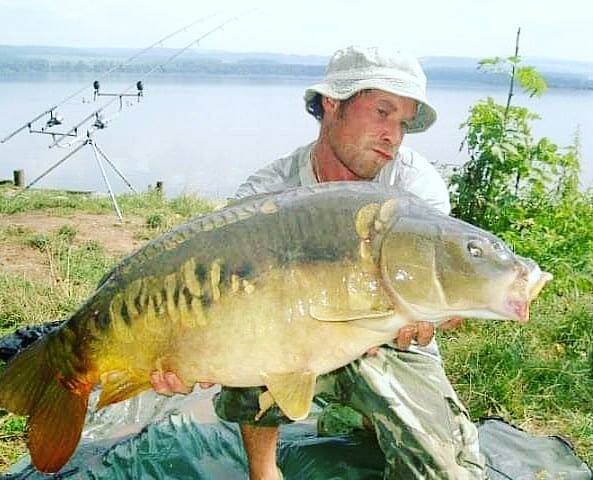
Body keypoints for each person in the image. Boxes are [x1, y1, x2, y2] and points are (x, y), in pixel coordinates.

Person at [151, 46, 486, 479]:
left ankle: (374, 421)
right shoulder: (269, 192)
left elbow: (446, 286)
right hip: (288, 339)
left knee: (450, 472)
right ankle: (264, 469)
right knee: (258, 339)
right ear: (333, 104)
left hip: (390, 343)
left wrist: (438, 315)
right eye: (382, 112)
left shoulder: (415, 188)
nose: (394, 136)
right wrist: (190, 352)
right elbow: (225, 299)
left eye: (402, 122)